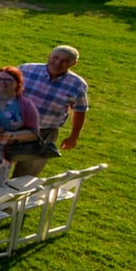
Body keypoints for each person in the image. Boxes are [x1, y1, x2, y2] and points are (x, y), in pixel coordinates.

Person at [13, 46, 88, 176]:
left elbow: (80, 111)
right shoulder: (25, 70)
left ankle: (15, 196)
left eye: (65, 61)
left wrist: (73, 137)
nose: (58, 63)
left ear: (73, 64)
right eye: (56, 58)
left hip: (44, 133)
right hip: (12, 127)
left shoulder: (77, 84)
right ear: (49, 56)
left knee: (25, 176)